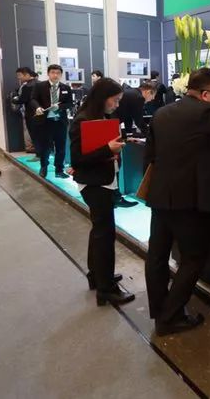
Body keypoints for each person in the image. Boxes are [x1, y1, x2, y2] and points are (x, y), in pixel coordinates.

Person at [144, 68, 210, 337]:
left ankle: (159, 310)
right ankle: (170, 317)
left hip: (160, 195)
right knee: (194, 258)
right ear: (205, 94)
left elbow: (150, 154)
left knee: (157, 255)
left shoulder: (162, 113)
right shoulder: (206, 113)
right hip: (189, 201)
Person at [68, 77, 135, 306]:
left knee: (100, 231)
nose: (116, 105)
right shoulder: (82, 120)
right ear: (102, 97)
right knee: (105, 234)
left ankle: (97, 275)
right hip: (95, 184)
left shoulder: (99, 116)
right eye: (114, 100)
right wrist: (108, 149)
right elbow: (77, 159)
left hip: (103, 180)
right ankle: (106, 289)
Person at [31, 64, 74, 179]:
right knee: (45, 147)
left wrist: (59, 107)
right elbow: (33, 99)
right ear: (48, 74)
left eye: (58, 73)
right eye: (53, 73)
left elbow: (70, 103)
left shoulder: (66, 88)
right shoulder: (40, 86)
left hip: (60, 122)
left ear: (61, 74)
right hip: (45, 122)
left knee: (61, 147)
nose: (55, 75)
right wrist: (37, 107)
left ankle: (59, 170)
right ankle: (43, 166)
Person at [13, 67, 38, 153]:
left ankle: (36, 152)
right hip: (40, 112)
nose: (18, 78)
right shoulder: (40, 83)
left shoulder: (27, 86)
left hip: (30, 113)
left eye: (19, 75)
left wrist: (14, 99)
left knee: (32, 133)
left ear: (27, 75)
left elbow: (22, 100)